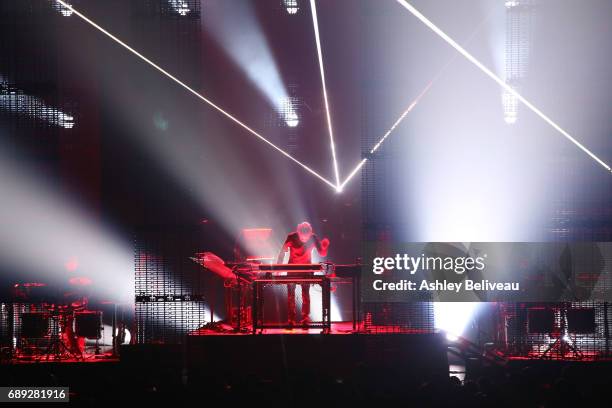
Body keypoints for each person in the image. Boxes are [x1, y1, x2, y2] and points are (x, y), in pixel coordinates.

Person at [277, 222, 329, 327]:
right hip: (292, 270)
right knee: (290, 296)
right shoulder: (291, 237)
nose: (304, 240)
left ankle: (305, 318)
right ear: (298, 232)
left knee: (306, 295)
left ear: (310, 234)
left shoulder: (313, 237)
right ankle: (291, 319)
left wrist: (325, 246)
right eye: (302, 238)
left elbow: (322, 253)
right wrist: (278, 267)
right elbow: (282, 253)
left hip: (306, 270)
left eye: (306, 238)